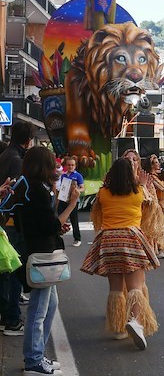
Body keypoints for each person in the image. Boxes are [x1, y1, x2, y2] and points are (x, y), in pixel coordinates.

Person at [81, 158, 159, 350]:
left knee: (115, 289)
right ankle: (136, 322)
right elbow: (151, 208)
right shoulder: (139, 192)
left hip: (108, 240)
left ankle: (118, 328)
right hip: (130, 238)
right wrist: (141, 183)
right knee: (135, 287)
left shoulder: (103, 194)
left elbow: (97, 211)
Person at [16, 146, 80, 375]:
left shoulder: (34, 188)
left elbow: (46, 223)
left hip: (39, 250)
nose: (58, 167)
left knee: (49, 305)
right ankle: (33, 360)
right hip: (41, 254)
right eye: (53, 163)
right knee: (38, 309)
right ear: (44, 165)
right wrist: (72, 204)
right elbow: (49, 225)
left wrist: (56, 222)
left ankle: (37, 355)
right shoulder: (38, 191)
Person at [0, 120, 35, 337]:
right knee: (12, 269)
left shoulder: (5, 155)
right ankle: (11, 318)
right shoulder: (16, 159)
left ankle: (7, 313)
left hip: (4, 220)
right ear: (28, 139)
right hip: (11, 221)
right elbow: (19, 193)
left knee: (6, 271)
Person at [141, 154, 164, 259]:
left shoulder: (154, 176)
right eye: (155, 162)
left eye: (158, 162)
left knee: (159, 228)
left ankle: (158, 249)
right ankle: (155, 250)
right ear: (151, 165)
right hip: (154, 205)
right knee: (154, 229)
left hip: (160, 204)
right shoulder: (151, 177)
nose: (158, 164)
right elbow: (163, 189)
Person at [56, 156, 84, 247]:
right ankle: (57, 234)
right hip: (63, 199)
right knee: (59, 218)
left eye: (72, 165)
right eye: (69, 165)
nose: (70, 167)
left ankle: (77, 238)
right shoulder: (63, 175)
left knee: (74, 219)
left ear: (75, 166)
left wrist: (77, 191)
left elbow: (82, 187)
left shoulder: (78, 176)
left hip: (73, 200)